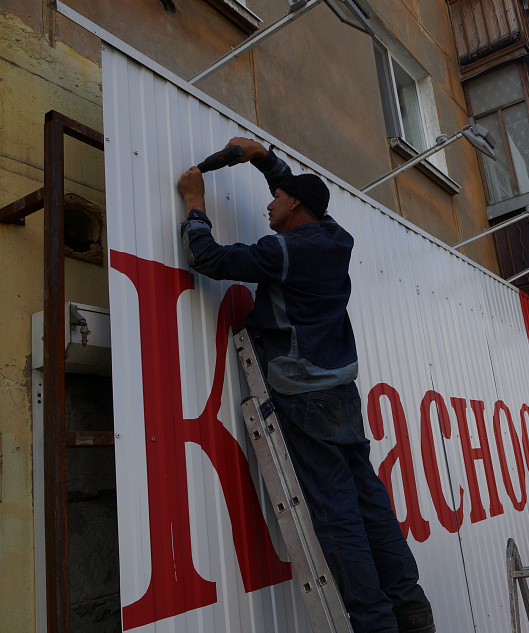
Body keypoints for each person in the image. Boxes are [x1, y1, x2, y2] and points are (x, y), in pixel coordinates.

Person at [178, 138, 434, 633]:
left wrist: (194, 203)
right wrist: (260, 157)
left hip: (301, 393)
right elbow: (296, 190)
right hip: (341, 393)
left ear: (294, 205)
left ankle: (375, 624)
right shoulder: (336, 237)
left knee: (337, 516)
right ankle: (413, 613)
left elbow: (207, 258)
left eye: (277, 198)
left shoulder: (282, 251)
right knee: (370, 504)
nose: (268, 202)